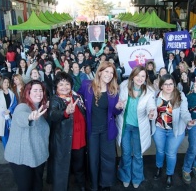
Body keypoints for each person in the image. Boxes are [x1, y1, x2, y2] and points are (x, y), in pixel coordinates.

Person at [78, 61, 123, 191]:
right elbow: (77, 97)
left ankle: (105, 184)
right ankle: (94, 185)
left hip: (107, 130)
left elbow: (115, 112)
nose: (109, 75)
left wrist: (118, 108)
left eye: (111, 72)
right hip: (92, 131)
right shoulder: (87, 86)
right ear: (100, 71)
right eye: (106, 71)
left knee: (108, 159)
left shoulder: (113, 91)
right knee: (93, 159)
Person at [115, 65, 157, 188]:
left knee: (138, 154)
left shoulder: (149, 91)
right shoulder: (123, 86)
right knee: (126, 153)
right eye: (138, 75)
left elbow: (151, 105)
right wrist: (118, 105)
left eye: (143, 76)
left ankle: (137, 177)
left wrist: (151, 112)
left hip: (139, 128)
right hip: (125, 126)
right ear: (133, 76)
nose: (140, 78)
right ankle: (125, 176)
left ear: (146, 78)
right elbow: (116, 101)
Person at [152, 74, 196, 188]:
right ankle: (159, 167)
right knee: (160, 151)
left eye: (171, 84)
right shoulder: (155, 95)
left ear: (174, 85)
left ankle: (169, 174)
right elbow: (150, 109)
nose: (168, 86)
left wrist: (188, 121)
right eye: (165, 84)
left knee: (170, 153)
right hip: (159, 129)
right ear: (161, 86)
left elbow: (185, 112)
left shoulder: (180, 95)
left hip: (175, 131)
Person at [4, 80, 49, 191]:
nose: (38, 93)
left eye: (40, 90)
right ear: (28, 92)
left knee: (38, 186)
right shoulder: (23, 107)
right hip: (21, 157)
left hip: (38, 156)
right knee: (26, 187)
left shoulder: (40, 108)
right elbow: (20, 117)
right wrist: (30, 117)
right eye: (35, 90)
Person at [48, 72, 87, 191]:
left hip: (79, 138)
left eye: (67, 84)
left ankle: (81, 184)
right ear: (56, 87)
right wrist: (66, 112)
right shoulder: (55, 99)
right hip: (64, 140)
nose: (64, 87)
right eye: (61, 84)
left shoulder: (77, 97)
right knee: (63, 167)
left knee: (79, 165)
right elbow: (53, 114)